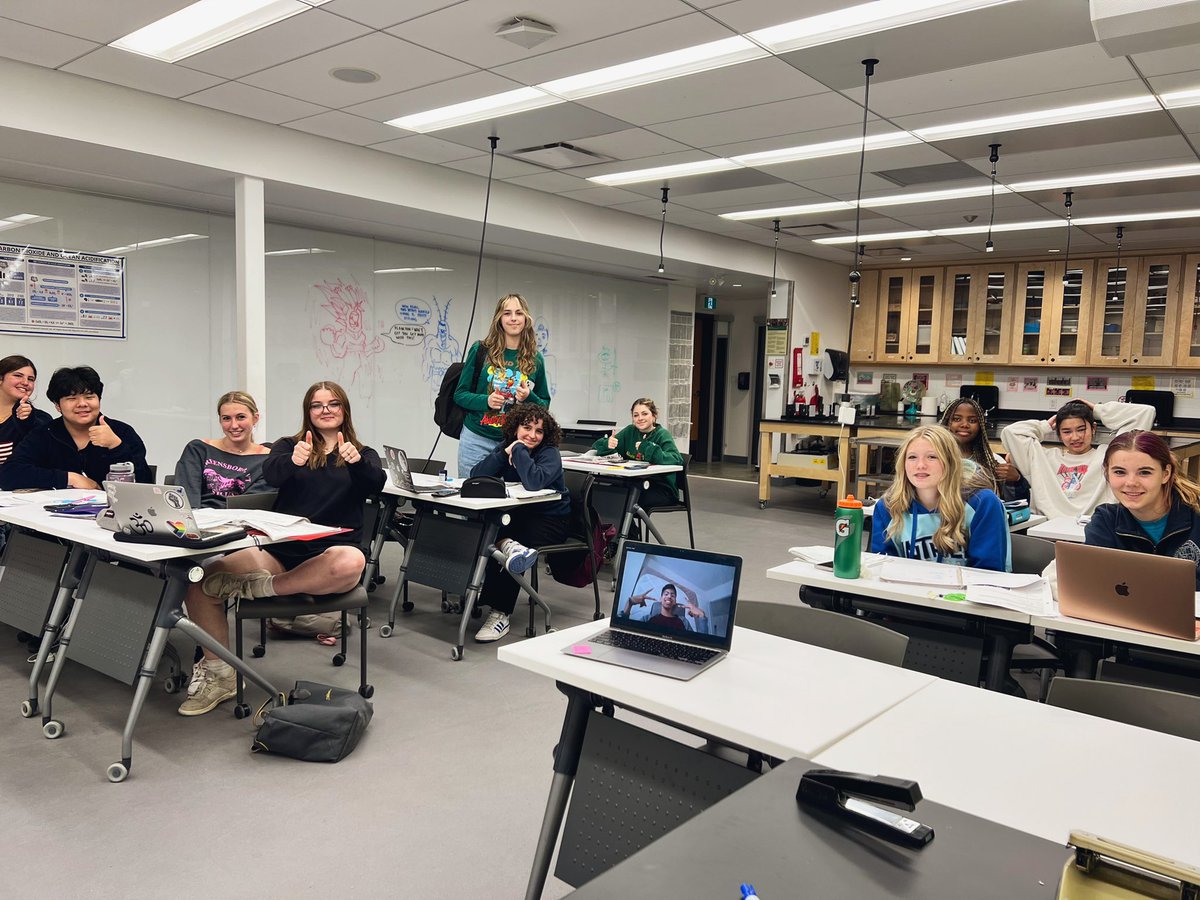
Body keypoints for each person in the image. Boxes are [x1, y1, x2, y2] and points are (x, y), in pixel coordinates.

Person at [176, 381, 384, 716]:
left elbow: (376, 484)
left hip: (330, 558)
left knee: (352, 562)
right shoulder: (289, 446)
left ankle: (264, 589)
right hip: (280, 552)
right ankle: (219, 676)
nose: (325, 410)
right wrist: (294, 460)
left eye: (333, 404)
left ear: (344, 410)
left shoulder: (363, 452)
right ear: (308, 412)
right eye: (317, 405)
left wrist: (356, 461)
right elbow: (271, 473)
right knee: (199, 581)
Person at [470, 402, 570, 643]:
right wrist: (505, 452)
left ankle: (500, 613)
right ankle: (484, 590)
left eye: (539, 431)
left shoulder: (549, 453)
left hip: (551, 521)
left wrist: (520, 451)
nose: (532, 435)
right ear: (515, 427)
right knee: (488, 531)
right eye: (527, 428)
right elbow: (477, 475)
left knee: (513, 541)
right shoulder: (508, 446)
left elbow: (534, 482)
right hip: (521, 516)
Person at [871, 424, 1010, 571]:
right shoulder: (888, 507)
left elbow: (988, 572)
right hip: (905, 592)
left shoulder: (982, 503)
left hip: (967, 592)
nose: (920, 465)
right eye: (912, 457)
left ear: (950, 463)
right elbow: (882, 570)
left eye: (932, 457)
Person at [1000, 398, 1155, 519]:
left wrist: (1097, 409)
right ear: (1058, 433)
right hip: (1048, 529)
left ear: (1093, 428)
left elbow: (1145, 412)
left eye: (1081, 429)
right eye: (1066, 431)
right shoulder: (1044, 459)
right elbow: (1010, 432)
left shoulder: (1110, 455)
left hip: (1094, 530)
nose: (1075, 437)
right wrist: (1045, 426)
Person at [0, 365, 151, 489]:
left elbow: (145, 485)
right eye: (72, 398)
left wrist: (116, 446)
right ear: (58, 406)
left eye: (89, 397)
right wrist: (69, 478)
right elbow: (8, 474)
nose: (82, 404)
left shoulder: (121, 432)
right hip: (53, 519)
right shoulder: (46, 433)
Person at [1085, 431, 1200, 588]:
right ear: (1107, 473)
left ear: (1166, 474)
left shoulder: (1196, 514)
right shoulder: (1105, 520)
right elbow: (1095, 582)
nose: (1131, 482)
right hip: (1125, 611)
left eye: (1144, 472)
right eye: (1119, 472)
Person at [453, 293, 550, 477]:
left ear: (526, 319)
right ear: (499, 318)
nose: (513, 318)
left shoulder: (536, 359)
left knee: (507, 500)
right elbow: (460, 395)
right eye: (507, 313)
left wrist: (529, 397)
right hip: (476, 438)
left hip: (514, 443)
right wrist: (486, 400)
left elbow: (545, 406)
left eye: (518, 313)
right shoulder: (480, 350)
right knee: (470, 496)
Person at [173, 390, 272, 508]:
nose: (234, 425)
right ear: (220, 420)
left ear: (255, 418)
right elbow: (187, 499)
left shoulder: (269, 458)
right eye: (226, 418)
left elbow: (250, 505)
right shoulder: (198, 450)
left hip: (240, 522)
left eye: (241, 417)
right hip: (199, 521)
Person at [592, 397, 683, 509]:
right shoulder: (630, 431)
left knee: (623, 500)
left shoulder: (662, 434)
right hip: (634, 483)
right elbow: (597, 448)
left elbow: (677, 459)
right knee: (601, 495)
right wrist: (608, 444)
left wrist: (649, 449)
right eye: (636, 415)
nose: (640, 418)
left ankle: (629, 527)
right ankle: (620, 527)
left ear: (654, 416)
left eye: (644, 414)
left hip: (661, 488)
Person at [941, 397, 1029, 502]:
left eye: (972, 420)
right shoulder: (934, 458)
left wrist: (1016, 480)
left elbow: (1015, 505)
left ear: (981, 426)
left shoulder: (993, 463)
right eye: (957, 419)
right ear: (947, 422)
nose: (964, 425)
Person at [0, 354, 51, 466]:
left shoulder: (40, 419)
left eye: (31, 379)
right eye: (18, 376)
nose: (25, 382)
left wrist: (28, 420)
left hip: (17, 482)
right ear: (1, 378)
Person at [620, 582, 705, 632]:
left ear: (675, 601)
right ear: (661, 599)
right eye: (666, 594)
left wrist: (701, 616)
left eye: (672, 595)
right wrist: (629, 603)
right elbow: (624, 630)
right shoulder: (647, 619)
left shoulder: (684, 622)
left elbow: (700, 643)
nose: (669, 597)